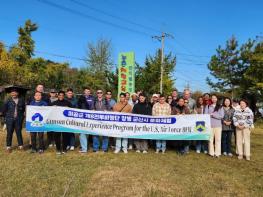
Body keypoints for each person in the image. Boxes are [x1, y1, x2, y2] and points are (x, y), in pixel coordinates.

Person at [2, 88, 25, 152]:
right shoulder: (7, 101)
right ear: (10, 94)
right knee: (9, 133)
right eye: (12, 93)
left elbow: (23, 110)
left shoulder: (21, 101)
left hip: (18, 119)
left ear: (18, 93)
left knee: (19, 133)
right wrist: (5, 121)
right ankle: (8, 147)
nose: (13, 94)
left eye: (15, 92)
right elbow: (4, 111)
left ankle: (21, 146)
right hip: (9, 119)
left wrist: (22, 117)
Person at [77, 87, 95, 153]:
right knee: (82, 133)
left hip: (90, 118)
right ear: (84, 92)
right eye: (86, 91)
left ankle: (86, 147)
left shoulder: (92, 98)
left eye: (88, 91)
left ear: (90, 92)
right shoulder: (80, 98)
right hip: (81, 118)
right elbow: (78, 106)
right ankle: (84, 148)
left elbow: (93, 107)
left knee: (88, 133)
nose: (87, 92)